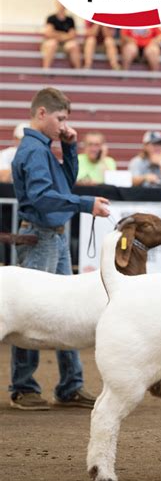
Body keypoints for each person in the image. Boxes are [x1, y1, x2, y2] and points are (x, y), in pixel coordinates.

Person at [10, 87, 110, 410]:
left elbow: (64, 186)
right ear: (42, 114)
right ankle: (25, 386)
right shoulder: (35, 151)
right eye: (60, 118)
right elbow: (42, 197)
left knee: (58, 312)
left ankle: (68, 385)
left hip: (50, 236)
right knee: (30, 313)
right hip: (42, 237)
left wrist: (69, 148)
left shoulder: (41, 148)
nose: (65, 125)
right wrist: (85, 203)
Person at [41, 1, 81, 69]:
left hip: (65, 44)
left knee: (74, 45)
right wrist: (64, 35)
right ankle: (46, 70)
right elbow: (49, 33)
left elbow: (72, 35)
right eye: (60, 3)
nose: (61, 5)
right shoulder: (51, 18)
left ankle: (79, 71)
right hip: (53, 43)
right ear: (57, 4)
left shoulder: (70, 20)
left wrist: (57, 35)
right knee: (52, 43)